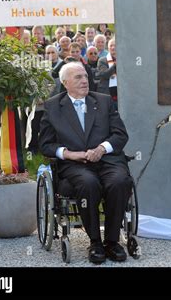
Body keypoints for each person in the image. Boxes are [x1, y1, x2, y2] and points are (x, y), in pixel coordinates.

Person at [39, 62, 132, 264]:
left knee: (120, 181)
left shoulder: (104, 101)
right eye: (78, 77)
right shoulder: (53, 106)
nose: (84, 81)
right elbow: (45, 145)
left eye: (85, 77)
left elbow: (120, 135)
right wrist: (70, 154)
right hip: (75, 166)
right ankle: (95, 242)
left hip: (107, 160)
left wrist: (101, 149)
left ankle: (112, 241)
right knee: (88, 183)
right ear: (65, 83)